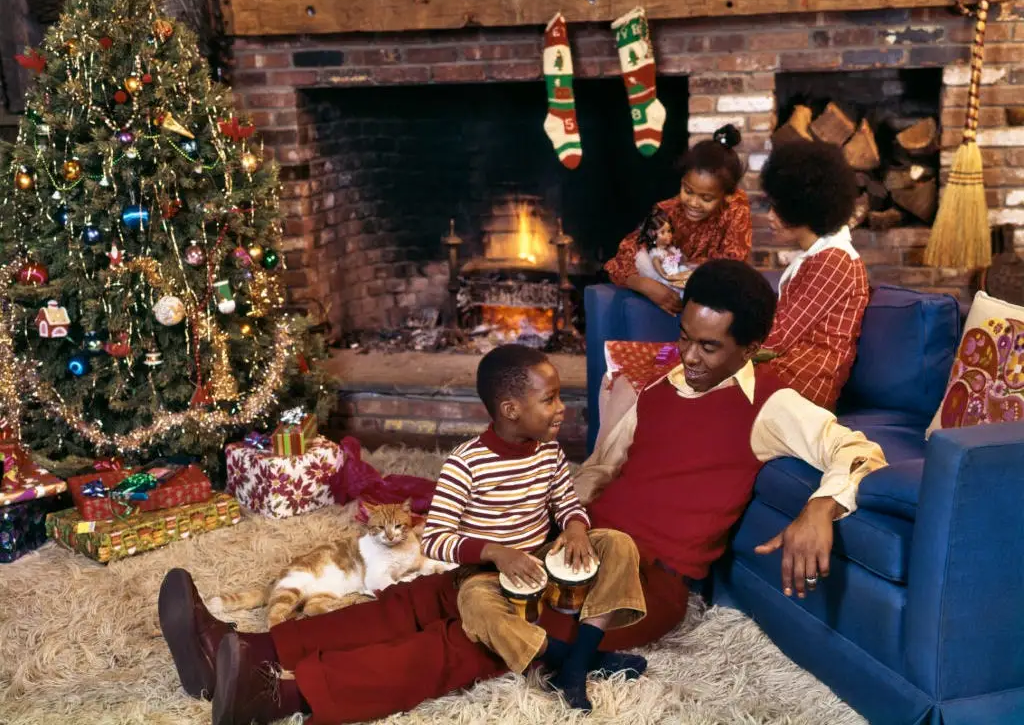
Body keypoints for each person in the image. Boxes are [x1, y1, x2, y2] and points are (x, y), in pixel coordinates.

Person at [157, 261, 887, 725]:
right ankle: (246, 647)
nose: (688, 358)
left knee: (474, 636)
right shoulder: (662, 388)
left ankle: (284, 695)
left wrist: (821, 506)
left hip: (643, 584)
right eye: (685, 336)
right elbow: (600, 469)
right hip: (572, 548)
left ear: (749, 346)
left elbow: (854, 448)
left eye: (708, 347)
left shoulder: (772, 404)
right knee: (436, 594)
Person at [421, 344, 647, 712]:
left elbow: (567, 504)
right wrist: (496, 552)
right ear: (511, 410)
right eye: (550, 399)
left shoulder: (549, 452)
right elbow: (434, 540)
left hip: (543, 557)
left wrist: (574, 527)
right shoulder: (464, 464)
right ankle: (573, 660)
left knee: (618, 544)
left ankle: (579, 657)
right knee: (477, 606)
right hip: (488, 571)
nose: (561, 408)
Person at [758, 140, 870, 410]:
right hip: (782, 374)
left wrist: (720, 349)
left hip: (800, 386)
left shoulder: (834, 260)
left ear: (804, 206)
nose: (769, 217)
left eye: (778, 208)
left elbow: (777, 338)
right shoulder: (817, 256)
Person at [605, 124, 751, 315]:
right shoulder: (667, 210)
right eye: (687, 190)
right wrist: (645, 285)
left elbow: (732, 266)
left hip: (711, 295)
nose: (693, 203)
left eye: (706, 198)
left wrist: (689, 268)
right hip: (668, 287)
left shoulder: (736, 208)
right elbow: (622, 258)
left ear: (727, 196)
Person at [633, 209, 689, 294]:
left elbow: (683, 262)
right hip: (670, 283)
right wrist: (677, 278)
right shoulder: (656, 255)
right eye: (663, 232)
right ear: (653, 234)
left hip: (679, 274)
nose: (668, 235)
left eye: (669, 231)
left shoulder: (671, 249)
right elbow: (664, 276)